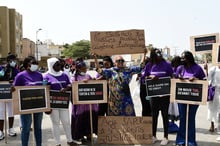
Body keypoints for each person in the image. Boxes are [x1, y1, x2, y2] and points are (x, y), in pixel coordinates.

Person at [95, 50, 146, 116]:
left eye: (122, 60)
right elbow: (99, 70)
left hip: (126, 99)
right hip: (114, 101)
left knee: (128, 120)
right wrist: (95, 58)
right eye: (118, 61)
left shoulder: (128, 70)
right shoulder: (111, 71)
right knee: (115, 121)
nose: (120, 62)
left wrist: (144, 54)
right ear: (115, 62)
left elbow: (141, 67)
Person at [43, 57, 80, 146]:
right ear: (51, 65)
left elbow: (69, 84)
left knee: (66, 121)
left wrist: (66, 88)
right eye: (57, 65)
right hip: (53, 103)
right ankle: (57, 143)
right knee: (55, 122)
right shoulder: (45, 76)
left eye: (60, 64)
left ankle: (69, 140)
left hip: (64, 102)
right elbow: (44, 90)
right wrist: (47, 106)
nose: (60, 66)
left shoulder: (64, 75)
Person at [142, 48, 173, 145]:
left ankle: (165, 137)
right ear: (153, 55)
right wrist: (150, 77)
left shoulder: (167, 65)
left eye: (160, 53)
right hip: (154, 96)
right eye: (157, 54)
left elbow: (172, 77)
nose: (159, 55)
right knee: (154, 116)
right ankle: (154, 136)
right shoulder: (149, 65)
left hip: (165, 96)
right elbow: (143, 79)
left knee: (164, 116)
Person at [174, 51, 206, 146]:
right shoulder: (180, 68)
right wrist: (179, 77)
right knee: (183, 119)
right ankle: (181, 140)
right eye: (182, 58)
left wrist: (196, 78)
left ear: (189, 58)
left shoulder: (198, 68)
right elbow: (174, 78)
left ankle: (191, 141)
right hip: (182, 97)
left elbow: (204, 80)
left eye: (184, 58)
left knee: (191, 119)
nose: (182, 60)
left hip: (194, 98)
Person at [13, 56, 44, 146]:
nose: (35, 65)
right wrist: (12, 90)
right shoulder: (20, 76)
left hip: (39, 105)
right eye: (33, 63)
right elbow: (15, 90)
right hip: (26, 106)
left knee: (38, 128)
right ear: (27, 65)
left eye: (36, 63)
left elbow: (43, 88)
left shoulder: (39, 75)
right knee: (26, 128)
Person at [70, 58, 98, 143]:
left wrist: (92, 80)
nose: (85, 70)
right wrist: (82, 82)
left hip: (89, 103)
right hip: (80, 105)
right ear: (78, 69)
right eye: (83, 68)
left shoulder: (88, 75)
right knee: (81, 120)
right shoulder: (73, 78)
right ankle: (80, 136)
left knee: (90, 119)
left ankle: (89, 134)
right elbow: (73, 87)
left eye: (85, 68)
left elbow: (93, 83)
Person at [0, 54, 19, 140]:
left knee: (11, 111)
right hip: (2, 92)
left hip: (12, 93)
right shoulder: (2, 68)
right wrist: (6, 80)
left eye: (15, 60)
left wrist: (13, 81)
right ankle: (0, 131)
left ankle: (10, 129)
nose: (14, 62)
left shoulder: (16, 69)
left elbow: (18, 79)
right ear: (8, 61)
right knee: (1, 112)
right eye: (12, 60)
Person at [206, 65, 220, 132]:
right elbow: (207, 78)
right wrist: (206, 70)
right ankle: (212, 125)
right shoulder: (214, 69)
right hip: (214, 92)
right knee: (211, 109)